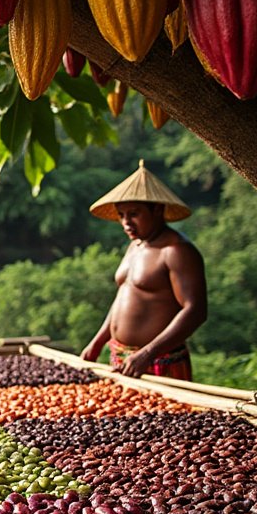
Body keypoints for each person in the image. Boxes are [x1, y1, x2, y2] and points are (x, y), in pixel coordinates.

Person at [81, 160, 207, 380]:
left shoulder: (176, 251)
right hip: (120, 358)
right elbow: (123, 297)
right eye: (121, 215)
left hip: (159, 362)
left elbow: (195, 311)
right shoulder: (135, 246)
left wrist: (148, 353)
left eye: (134, 213)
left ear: (158, 210)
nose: (126, 222)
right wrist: (98, 342)